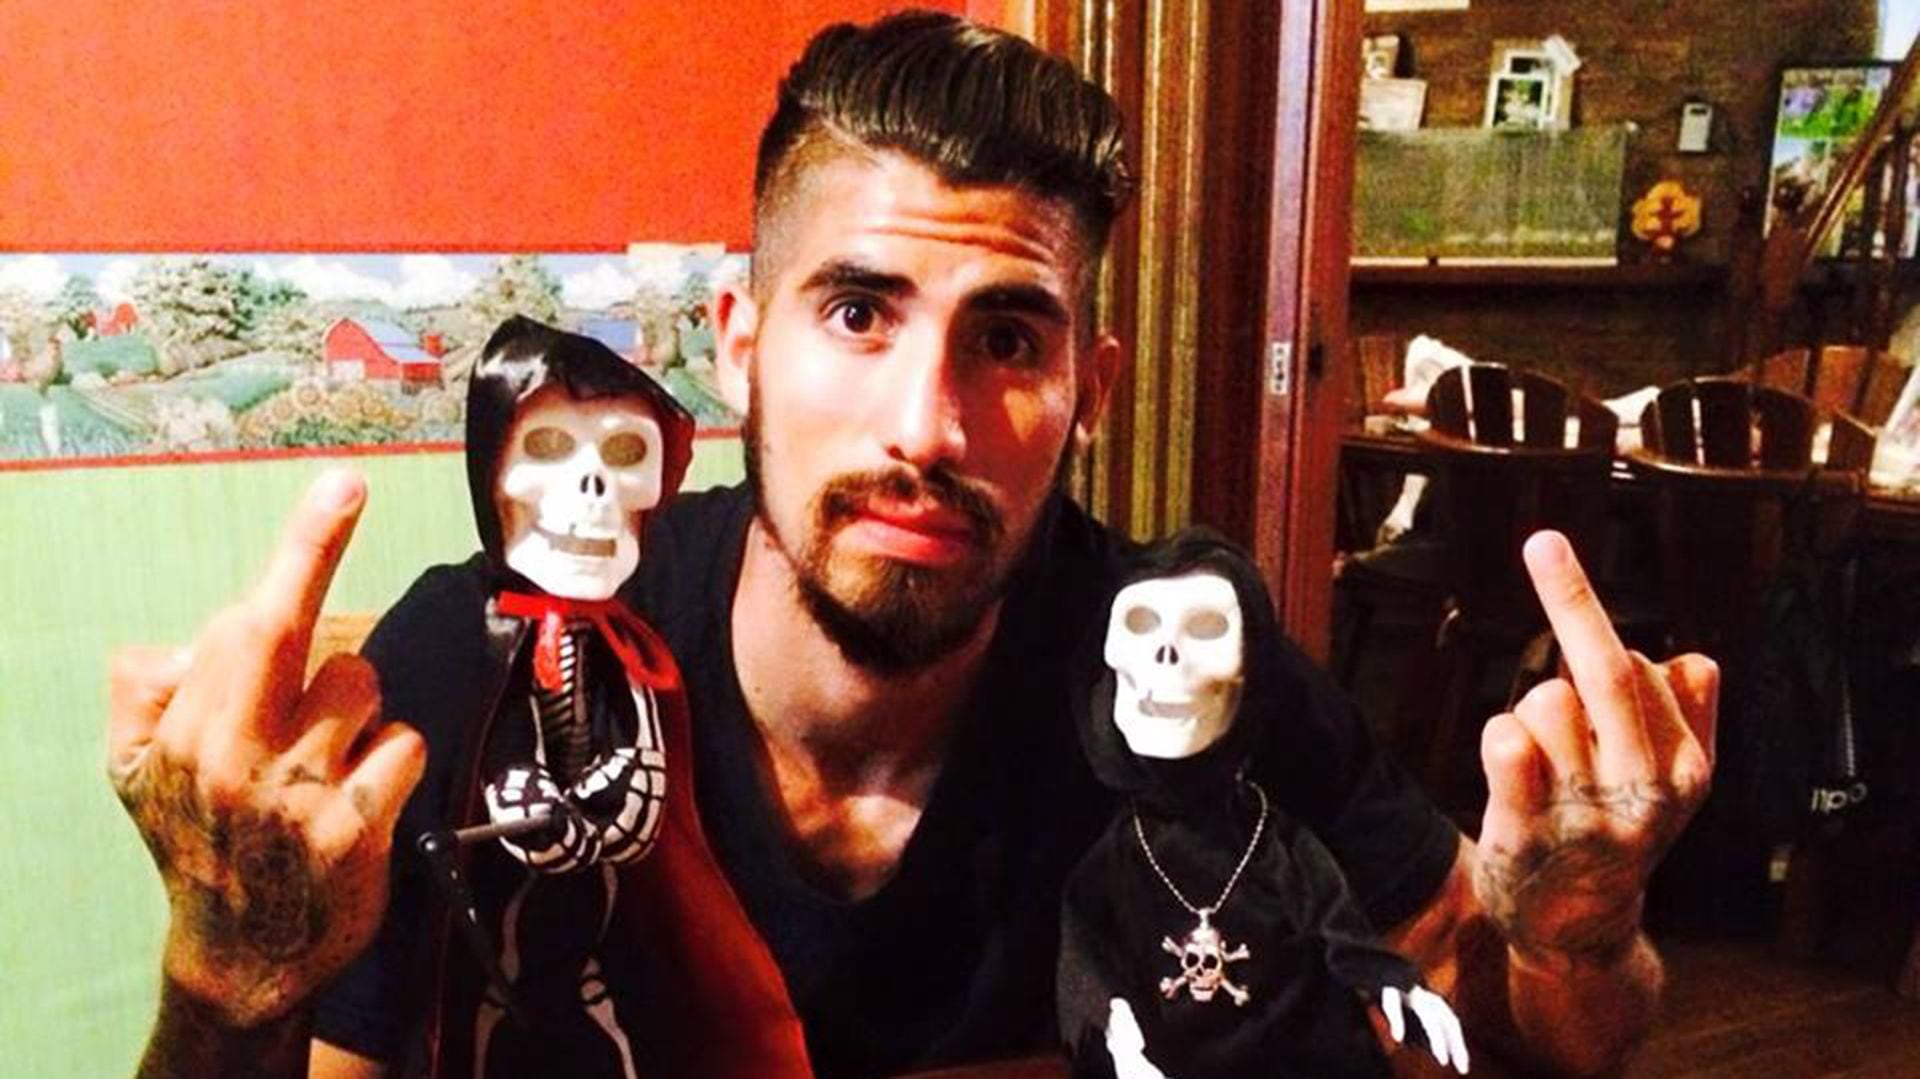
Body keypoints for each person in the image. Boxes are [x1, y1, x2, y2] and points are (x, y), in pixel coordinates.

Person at [107, 11, 1717, 1079]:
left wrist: (1577, 934)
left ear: (1090, 391)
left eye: (1006, 339)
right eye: (858, 312)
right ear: (741, 341)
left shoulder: (1184, 663)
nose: (928, 426)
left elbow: (1515, 1029)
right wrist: (223, 979)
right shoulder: (495, 671)